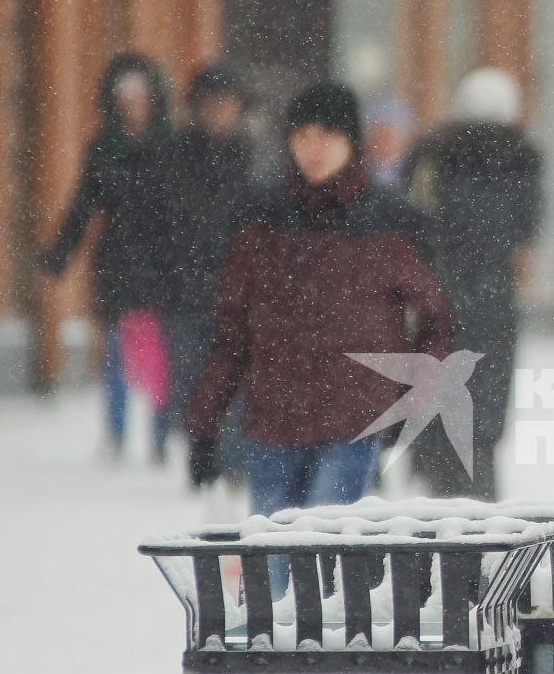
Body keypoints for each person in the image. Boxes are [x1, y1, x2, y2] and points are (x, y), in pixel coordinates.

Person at [186, 82, 452, 519]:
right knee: (276, 570)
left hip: (352, 421)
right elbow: (231, 333)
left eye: (326, 136)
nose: (313, 149)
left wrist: (412, 399)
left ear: (350, 140)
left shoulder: (389, 222)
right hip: (274, 421)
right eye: (302, 136)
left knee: (322, 560)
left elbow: (436, 319)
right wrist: (205, 425)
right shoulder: (261, 221)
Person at [402, 68, 541, 500]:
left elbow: (412, 220)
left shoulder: (433, 154)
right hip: (492, 295)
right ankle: (479, 489)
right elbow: (525, 233)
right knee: (484, 401)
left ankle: (439, 477)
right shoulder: (521, 158)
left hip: (439, 292)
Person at [39, 53, 175, 460]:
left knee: (160, 352)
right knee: (116, 350)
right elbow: (82, 207)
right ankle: (116, 432)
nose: (134, 106)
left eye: (140, 97)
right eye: (125, 98)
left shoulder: (171, 146)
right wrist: (57, 258)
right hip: (117, 261)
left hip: (166, 262)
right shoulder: (104, 148)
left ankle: (160, 434)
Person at [157, 63, 254, 479]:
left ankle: (231, 461)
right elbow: (155, 222)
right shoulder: (175, 157)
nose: (219, 112)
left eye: (226, 104)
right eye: (211, 104)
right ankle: (202, 453)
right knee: (193, 377)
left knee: (236, 377)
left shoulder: (257, 157)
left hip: (243, 290)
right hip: (186, 289)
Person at [366, 97, 415, 191]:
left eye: (388, 136)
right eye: (377, 134)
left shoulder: (413, 171)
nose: (381, 142)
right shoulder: (357, 171)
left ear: (405, 139)